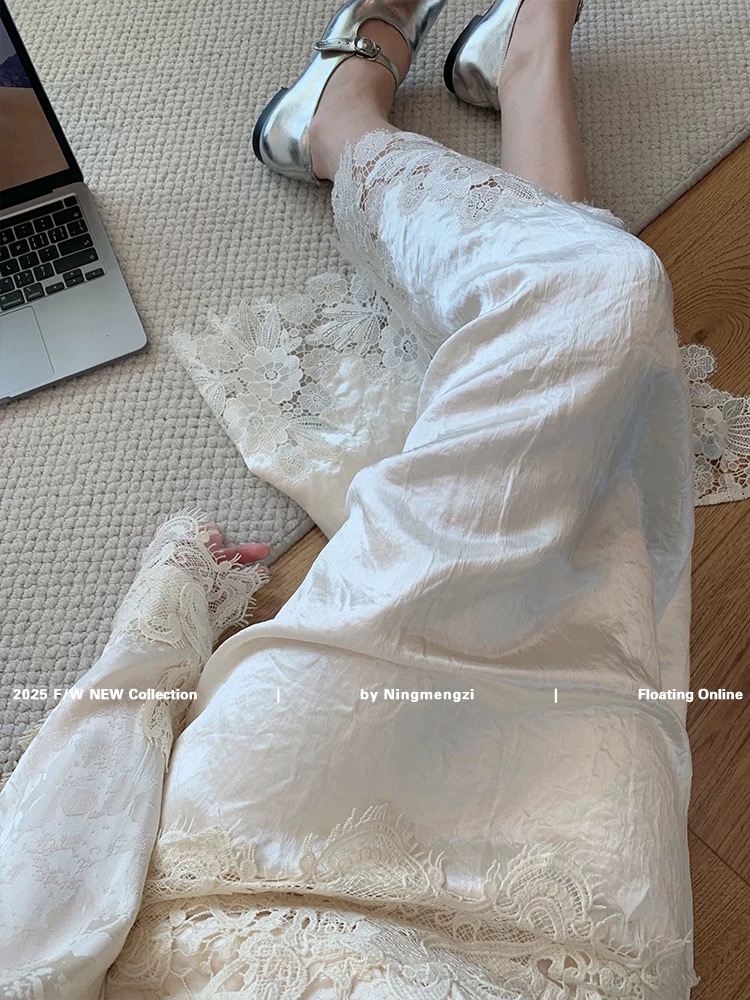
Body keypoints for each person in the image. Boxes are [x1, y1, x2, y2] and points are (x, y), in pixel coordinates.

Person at [0, 1, 699, 996]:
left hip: (260, 854)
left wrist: (159, 630)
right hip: (585, 918)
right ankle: (516, 61)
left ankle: (354, 120)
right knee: (594, 498)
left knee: (597, 303)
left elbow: (29, 920)